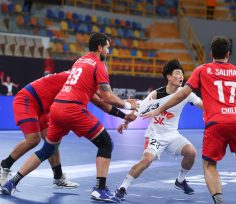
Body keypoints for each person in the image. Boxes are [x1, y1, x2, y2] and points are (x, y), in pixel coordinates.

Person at [143, 36, 236, 204]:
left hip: (215, 123)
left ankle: (219, 201)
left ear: (211, 53)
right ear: (228, 54)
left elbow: (182, 94)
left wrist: (160, 108)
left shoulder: (202, 70)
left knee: (209, 165)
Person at [1, 32, 138, 203]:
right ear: (100, 48)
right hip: (69, 108)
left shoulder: (79, 62)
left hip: (56, 107)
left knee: (47, 150)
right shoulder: (99, 66)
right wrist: (128, 105)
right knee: (105, 143)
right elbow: (106, 99)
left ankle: (11, 183)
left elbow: (101, 102)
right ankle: (100, 189)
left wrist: (123, 115)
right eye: (108, 48)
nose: (108, 52)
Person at [0, 71, 136, 188]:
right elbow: (103, 101)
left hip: (42, 107)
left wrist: (125, 110)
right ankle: (4, 166)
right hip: (27, 100)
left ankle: (58, 177)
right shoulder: (79, 80)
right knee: (33, 139)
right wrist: (126, 110)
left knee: (51, 141)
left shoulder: (76, 77)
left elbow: (102, 100)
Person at [114, 59, 203, 201]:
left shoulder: (186, 93)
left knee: (191, 152)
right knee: (146, 160)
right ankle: (122, 187)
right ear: (168, 77)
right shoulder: (156, 94)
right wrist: (125, 122)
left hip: (173, 136)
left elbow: (202, 105)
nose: (181, 77)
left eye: (182, 74)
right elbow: (140, 108)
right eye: (178, 74)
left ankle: (180, 181)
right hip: (155, 136)